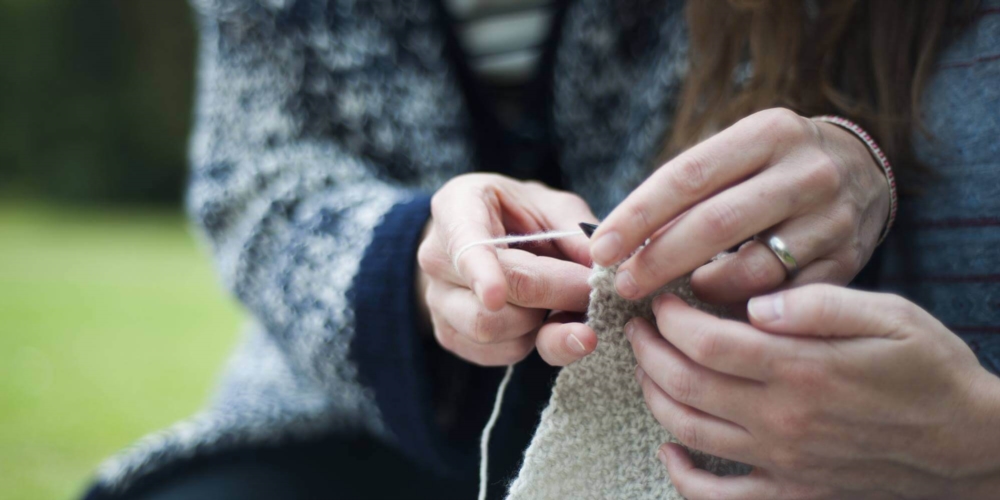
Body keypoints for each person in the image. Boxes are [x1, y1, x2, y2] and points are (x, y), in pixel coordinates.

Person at [86, 0, 1000, 498]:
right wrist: (410, 267)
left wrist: (847, 157)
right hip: (339, 399)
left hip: (668, 420)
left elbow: (817, 83)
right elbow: (257, 175)